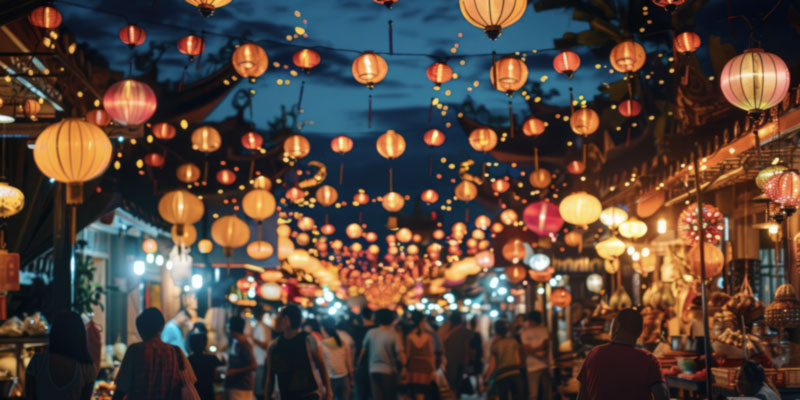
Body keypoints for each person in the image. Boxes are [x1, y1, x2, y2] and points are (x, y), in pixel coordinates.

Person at [577, 308, 669, 400]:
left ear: (617, 326)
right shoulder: (649, 361)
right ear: (640, 332)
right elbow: (663, 396)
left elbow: (581, 396)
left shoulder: (594, 354)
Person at [114, 308, 196, 400]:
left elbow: (122, 388)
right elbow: (187, 383)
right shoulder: (176, 352)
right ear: (162, 326)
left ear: (140, 330)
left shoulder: (135, 350)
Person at [25, 311, 97, 400]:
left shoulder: (37, 361)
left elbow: (29, 396)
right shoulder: (87, 368)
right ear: (80, 335)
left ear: (54, 333)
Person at [266, 305, 333, 400]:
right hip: (286, 396)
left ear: (286, 320)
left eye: (278, 317)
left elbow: (322, 366)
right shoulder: (274, 346)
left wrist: (329, 393)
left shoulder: (308, 340)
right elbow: (270, 376)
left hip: (309, 395)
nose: (275, 320)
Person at [359, 309, 405, 400]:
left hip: (373, 369)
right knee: (389, 396)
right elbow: (400, 353)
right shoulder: (394, 334)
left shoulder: (371, 332)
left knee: (377, 397)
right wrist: (404, 366)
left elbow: (363, 351)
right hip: (389, 370)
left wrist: (358, 365)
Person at [484, 320, 524, 400]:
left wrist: (487, 378)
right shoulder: (513, 342)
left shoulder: (495, 344)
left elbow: (492, 364)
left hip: (501, 376)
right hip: (515, 373)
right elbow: (518, 361)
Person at [405, 311, 437, 400]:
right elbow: (431, 354)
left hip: (413, 366)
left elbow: (408, 354)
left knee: (416, 391)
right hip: (425, 367)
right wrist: (433, 369)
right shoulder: (428, 337)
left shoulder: (409, 336)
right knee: (423, 391)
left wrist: (404, 367)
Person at [441, 311, 473, 397]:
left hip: (449, 363)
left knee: (452, 386)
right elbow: (467, 350)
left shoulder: (446, 333)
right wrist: (467, 364)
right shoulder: (465, 332)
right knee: (458, 388)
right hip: (460, 364)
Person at [225, 315, 258, 400]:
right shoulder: (236, 342)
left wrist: (234, 371)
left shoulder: (244, 345)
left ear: (232, 329)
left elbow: (253, 365)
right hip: (236, 386)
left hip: (241, 387)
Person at [321, 317, 354, 400]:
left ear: (324, 329)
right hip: (344, 377)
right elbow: (349, 363)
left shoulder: (322, 345)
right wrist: (351, 379)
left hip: (330, 379)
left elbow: (321, 365)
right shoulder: (342, 342)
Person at [519, 311, 549, 400]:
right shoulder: (525, 332)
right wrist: (539, 352)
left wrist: (532, 351)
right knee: (533, 394)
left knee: (545, 394)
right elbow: (525, 348)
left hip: (544, 365)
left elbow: (545, 346)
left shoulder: (544, 330)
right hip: (533, 366)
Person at [188, 330, 223, 400]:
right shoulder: (211, 358)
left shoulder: (188, 360)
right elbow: (217, 376)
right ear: (205, 343)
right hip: (208, 392)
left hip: (193, 393)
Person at [352, 308, 376, 400]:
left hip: (361, 365)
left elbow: (355, 348)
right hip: (375, 363)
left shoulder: (357, 330)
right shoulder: (377, 330)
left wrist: (355, 364)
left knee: (362, 394)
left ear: (362, 316)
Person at [250, 308, 272, 400]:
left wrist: (252, 339)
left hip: (260, 360)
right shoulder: (259, 326)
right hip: (258, 360)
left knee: (258, 389)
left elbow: (265, 344)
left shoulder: (261, 327)